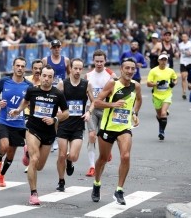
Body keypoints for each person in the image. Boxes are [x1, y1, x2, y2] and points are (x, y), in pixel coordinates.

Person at [9, 65, 69, 205]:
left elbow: (66, 113)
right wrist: (18, 110)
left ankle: (27, 153)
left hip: (48, 133)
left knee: (40, 166)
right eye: (44, 76)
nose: (46, 79)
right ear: (40, 76)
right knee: (34, 160)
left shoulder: (58, 94)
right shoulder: (32, 90)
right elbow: (25, 102)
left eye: (49, 77)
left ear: (53, 79)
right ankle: (33, 194)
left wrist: (54, 119)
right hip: (33, 129)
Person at [91, 57, 142, 205]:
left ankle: (119, 190)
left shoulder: (136, 86)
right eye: (127, 68)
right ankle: (97, 184)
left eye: (133, 69)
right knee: (103, 158)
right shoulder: (113, 84)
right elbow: (97, 102)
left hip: (124, 128)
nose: (130, 71)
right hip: (108, 128)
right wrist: (113, 104)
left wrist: (134, 113)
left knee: (125, 156)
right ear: (121, 69)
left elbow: (138, 100)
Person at [0, 57, 32, 187]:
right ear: (13, 67)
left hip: (18, 124)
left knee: (11, 153)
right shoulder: (5, 81)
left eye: (22, 66)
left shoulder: (28, 86)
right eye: (17, 66)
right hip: (3, 121)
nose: (20, 68)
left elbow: (30, 102)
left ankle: (2, 175)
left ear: (25, 68)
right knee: (4, 146)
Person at [55, 58, 95, 192]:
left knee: (73, 156)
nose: (78, 71)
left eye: (80, 69)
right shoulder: (63, 84)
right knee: (61, 154)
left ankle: (70, 162)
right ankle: (61, 181)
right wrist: (58, 110)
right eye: (75, 68)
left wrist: (89, 112)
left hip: (78, 125)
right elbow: (55, 100)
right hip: (63, 125)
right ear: (70, 69)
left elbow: (94, 102)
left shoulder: (86, 84)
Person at [84, 49, 117, 177]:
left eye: (101, 61)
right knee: (92, 136)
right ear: (93, 61)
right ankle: (92, 166)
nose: (99, 64)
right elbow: (87, 93)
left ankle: (107, 151)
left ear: (105, 61)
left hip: (106, 109)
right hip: (91, 108)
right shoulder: (88, 76)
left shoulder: (110, 75)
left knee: (104, 137)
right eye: (97, 61)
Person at [42, 39, 70, 152]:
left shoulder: (66, 60)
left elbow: (69, 74)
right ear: (51, 49)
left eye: (58, 47)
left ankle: (55, 137)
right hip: (48, 90)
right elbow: (42, 74)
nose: (57, 49)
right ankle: (49, 136)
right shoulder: (46, 60)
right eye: (54, 47)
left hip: (60, 92)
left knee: (59, 115)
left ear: (61, 48)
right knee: (48, 113)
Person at [147, 54, 178, 140]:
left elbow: (175, 79)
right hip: (156, 96)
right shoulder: (153, 71)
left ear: (167, 61)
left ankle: (161, 131)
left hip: (167, 95)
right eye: (162, 60)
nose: (163, 61)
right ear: (158, 60)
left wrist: (173, 84)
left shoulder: (170, 71)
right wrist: (157, 84)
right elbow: (148, 84)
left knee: (164, 113)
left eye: (165, 60)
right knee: (159, 115)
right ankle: (161, 125)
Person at [23, 59, 43, 173]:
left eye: (40, 68)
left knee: (38, 141)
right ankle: (30, 161)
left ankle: (32, 156)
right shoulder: (26, 81)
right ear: (32, 69)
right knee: (30, 139)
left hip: (40, 114)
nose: (38, 71)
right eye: (35, 68)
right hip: (26, 113)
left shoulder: (45, 81)